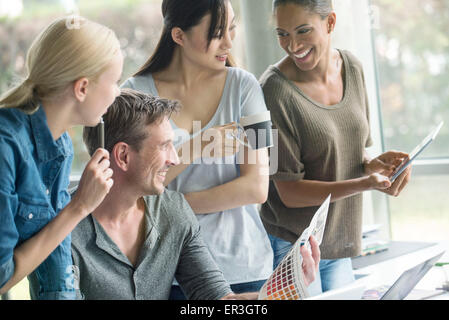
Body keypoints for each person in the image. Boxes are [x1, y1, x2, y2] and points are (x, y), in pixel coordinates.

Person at [72, 89, 320, 300]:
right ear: (124, 156)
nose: (175, 159)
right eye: (164, 146)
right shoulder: (66, 227)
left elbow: (219, 300)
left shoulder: (173, 210)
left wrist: (285, 290)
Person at [121, 0, 274, 298]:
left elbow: (257, 187)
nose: (228, 42)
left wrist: (167, 209)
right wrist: (197, 146)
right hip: (169, 274)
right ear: (178, 36)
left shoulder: (247, 88)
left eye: (231, 28)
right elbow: (131, 187)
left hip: (245, 268)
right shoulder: (134, 94)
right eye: (217, 33)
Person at [259, 0, 412, 295]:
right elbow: (288, 193)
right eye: (282, 34)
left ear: (330, 23)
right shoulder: (273, 91)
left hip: (337, 243)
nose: (292, 45)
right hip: (294, 247)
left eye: (303, 31)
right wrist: (365, 183)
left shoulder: (352, 68)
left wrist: (374, 165)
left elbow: (350, 152)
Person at [0, 16, 121, 299]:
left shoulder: (61, 146)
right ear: (82, 88)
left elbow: (56, 269)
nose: (117, 93)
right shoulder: (5, 147)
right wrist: (79, 206)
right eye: (114, 82)